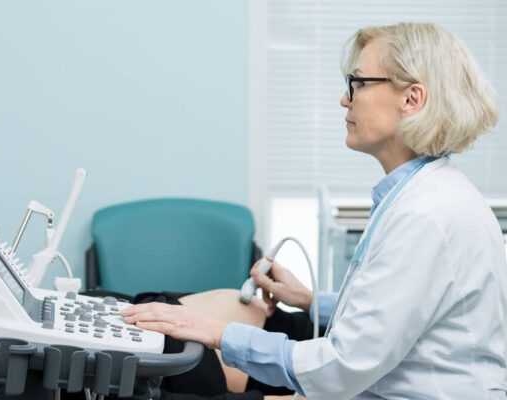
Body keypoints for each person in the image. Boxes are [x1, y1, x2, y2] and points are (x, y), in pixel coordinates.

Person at [121, 22, 507, 399]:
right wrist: (308, 298)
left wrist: (216, 333)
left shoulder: (427, 216)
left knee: (168, 343)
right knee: (159, 316)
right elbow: (395, 312)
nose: (345, 99)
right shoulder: (425, 195)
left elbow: (340, 366)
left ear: (411, 99)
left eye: (357, 83)